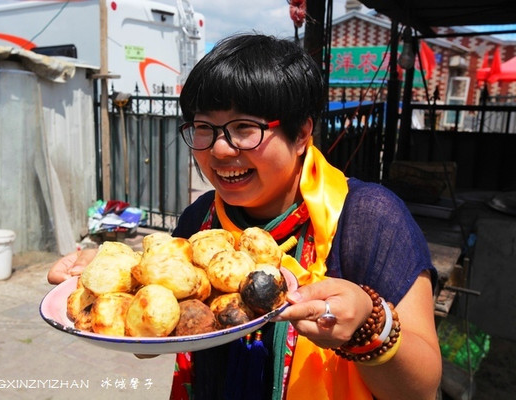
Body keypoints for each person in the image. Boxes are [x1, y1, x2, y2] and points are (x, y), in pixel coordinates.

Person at [48, 34, 442, 400]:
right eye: (204, 127)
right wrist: (109, 286)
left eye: (244, 127)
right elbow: (156, 338)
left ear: (302, 132)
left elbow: (422, 389)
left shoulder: (368, 218)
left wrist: (369, 326)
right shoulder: (199, 223)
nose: (220, 149)